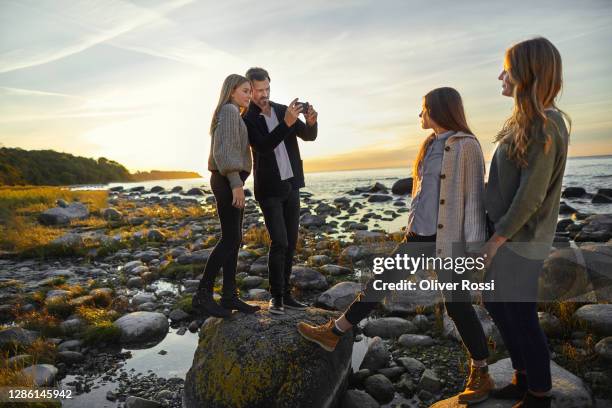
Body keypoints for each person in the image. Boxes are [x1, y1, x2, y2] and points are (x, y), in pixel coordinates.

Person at [298, 87, 495, 404]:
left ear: (439, 110)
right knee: (377, 284)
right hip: (418, 237)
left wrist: (475, 250)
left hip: (449, 241)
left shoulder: (467, 146)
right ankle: (334, 333)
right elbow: (423, 195)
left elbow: (474, 200)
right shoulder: (429, 143)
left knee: (457, 306)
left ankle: (481, 372)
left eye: (424, 109)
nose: (420, 115)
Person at [482, 37, 570, 408]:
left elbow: (531, 196)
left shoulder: (547, 124)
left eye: (507, 68)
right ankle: (522, 377)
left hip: (520, 239)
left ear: (527, 73)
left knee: (520, 313)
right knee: (497, 304)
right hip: (506, 235)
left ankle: (539, 393)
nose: (501, 75)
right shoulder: (525, 121)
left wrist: (495, 240)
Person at [243, 67, 318, 315]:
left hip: (291, 184)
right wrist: (286, 123)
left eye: (267, 89)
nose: (264, 94)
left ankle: (287, 295)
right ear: (250, 89)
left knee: (292, 242)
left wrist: (311, 121)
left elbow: (308, 137)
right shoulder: (247, 119)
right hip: (268, 189)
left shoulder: (280, 110)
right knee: (279, 242)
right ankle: (276, 297)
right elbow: (263, 147)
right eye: (258, 90)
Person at [192, 74, 261, 318]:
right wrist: (235, 182)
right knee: (231, 238)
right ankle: (203, 294)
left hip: (229, 181)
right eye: (245, 90)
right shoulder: (230, 111)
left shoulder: (231, 112)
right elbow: (224, 152)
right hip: (226, 181)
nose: (249, 95)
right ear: (232, 91)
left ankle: (229, 295)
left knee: (234, 238)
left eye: (250, 91)